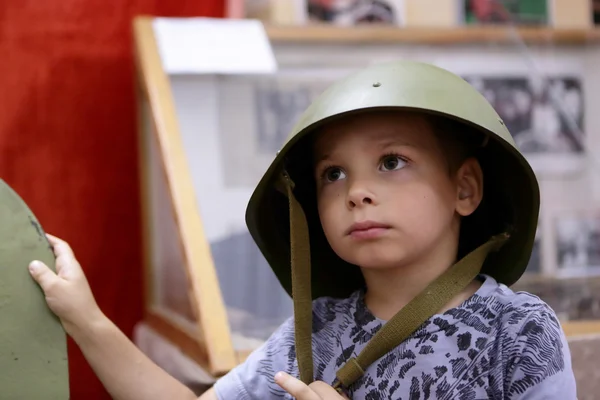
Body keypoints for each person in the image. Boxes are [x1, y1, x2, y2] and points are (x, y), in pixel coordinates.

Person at [27, 61, 577, 399]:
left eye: (392, 161)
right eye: (332, 173)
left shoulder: (518, 330)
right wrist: (86, 319)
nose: (355, 191)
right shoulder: (312, 333)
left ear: (465, 189)